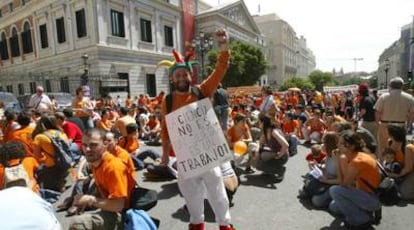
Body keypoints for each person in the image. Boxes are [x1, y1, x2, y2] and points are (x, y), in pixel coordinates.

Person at [159, 28, 235, 230]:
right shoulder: (167, 100)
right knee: (191, 196)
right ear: (172, 79)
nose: (182, 77)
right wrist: (165, 155)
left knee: (217, 193)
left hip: (208, 153)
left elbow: (221, 68)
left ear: (189, 76)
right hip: (185, 157)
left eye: (185, 73)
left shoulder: (202, 90)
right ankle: (196, 224)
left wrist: (223, 45)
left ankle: (225, 225)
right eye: (178, 74)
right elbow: (165, 129)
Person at [66, 128, 136, 229]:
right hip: (108, 206)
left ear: (105, 144)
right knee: (82, 184)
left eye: (93, 145)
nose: (88, 149)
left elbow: (118, 206)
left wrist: (90, 200)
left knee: (77, 223)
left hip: (122, 213)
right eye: (85, 145)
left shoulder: (114, 166)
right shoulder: (97, 162)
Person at [329, 130, 381, 229]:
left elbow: (344, 184)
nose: (338, 145)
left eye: (341, 143)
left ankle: (361, 219)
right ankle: (364, 213)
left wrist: (337, 162)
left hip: (371, 198)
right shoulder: (357, 155)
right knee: (333, 207)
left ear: (351, 146)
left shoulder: (357, 161)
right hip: (366, 195)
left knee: (334, 190)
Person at [374, 77, 414, 157]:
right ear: (402, 86)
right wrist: (409, 124)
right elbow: (412, 114)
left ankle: (383, 165)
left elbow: (377, 112)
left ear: (390, 86)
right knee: (399, 148)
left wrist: (378, 124)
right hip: (401, 125)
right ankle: (398, 164)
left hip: (385, 125)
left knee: (383, 148)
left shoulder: (384, 97)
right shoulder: (409, 98)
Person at [32, 113, 71, 192]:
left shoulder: (39, 137)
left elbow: (37, 156)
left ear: (42, 124)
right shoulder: (61, 133)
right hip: (65, 162)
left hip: (51, 166)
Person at [386, 124, 414, 200]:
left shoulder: (408, 148)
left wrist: (395, 175)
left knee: (404, 195)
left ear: (392, 135)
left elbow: (408, 168)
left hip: (410, 172)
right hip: (400, 169)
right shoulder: (390, 143)